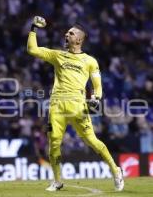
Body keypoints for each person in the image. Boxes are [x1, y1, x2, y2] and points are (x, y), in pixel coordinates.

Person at [27, 16, 124, 192]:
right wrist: (33, 28)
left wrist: (96, 98)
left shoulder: (90, 61)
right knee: (54, 143)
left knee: (92, 141)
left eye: (70, 33)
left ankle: (116, 170)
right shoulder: (57, 55)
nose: (66, 34)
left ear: (79, 39)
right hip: (56, 106)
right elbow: (32, 50)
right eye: (67, 32)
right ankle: (57, 181)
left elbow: (97, 86)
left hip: (78, 107)